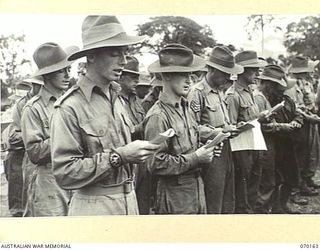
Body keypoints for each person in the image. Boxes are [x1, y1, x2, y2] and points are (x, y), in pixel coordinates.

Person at [50, 15, 160, 216]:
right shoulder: (70, 106)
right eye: (114, 53)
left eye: (125, 53)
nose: (123, 61)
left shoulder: (116, 97)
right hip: (94, 206)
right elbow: (64, 173)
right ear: (91, 56)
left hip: (129, 201)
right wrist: (119, 157)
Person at [144, 43, 222, 214]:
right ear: (167, 76)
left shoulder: (185, 107)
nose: (190, 80)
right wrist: (195, 157)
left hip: (196, 188)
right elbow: (155, 163)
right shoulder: (158, 116)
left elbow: (191, 141)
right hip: (175, 195)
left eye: (191, 75)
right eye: (183, 75)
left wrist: (207, 150)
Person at [21, 42, 75, 216]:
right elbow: (35, 153)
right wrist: (66, 135)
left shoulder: (71, 103)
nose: (67, 75)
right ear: (48, 74)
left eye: (68, 69)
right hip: (48, 184)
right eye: (61, 71)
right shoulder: (33, 109)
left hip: (73, 178)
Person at [188, 46, 244, 213]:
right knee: (213, 199)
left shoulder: (220, 91)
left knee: (227, 197)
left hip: (226, 150)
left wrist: (232, 128)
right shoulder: (197, 93)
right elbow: (191, 127)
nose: (227, 77)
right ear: (211, 69)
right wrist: (217, 132)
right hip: (211, 154)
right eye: (224, 73)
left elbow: (223, 121)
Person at [253, 65, 303, 213]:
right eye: (278, 87)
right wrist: (283, 126)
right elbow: (262, 125)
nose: (281, 90)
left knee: (290, 176)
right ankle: (271, 209)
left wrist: (296, 121)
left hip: (287, 143)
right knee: (271, 179)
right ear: (270, 85)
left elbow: (298, 113)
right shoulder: (260, 99)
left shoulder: (287, 99)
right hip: (271, 143)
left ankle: (280, 206)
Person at [225, 50, 267, 213]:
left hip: (255, 144)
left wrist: (260, 117)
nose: (256, 74)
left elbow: (252, 116)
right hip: (241, 147)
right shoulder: (233, 95)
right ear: (242, 71)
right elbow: (231, 125)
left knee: (253, 186)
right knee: (242, 188)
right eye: (253, 69)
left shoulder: (250, 92)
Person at [118, 55, 151, 214]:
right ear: (121, 78)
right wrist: (143, 126)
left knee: (142, 203)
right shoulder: (115, 101)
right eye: (133, 77)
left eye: (137, 77)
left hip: (142, 160)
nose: (136, 82)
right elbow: (124, 132)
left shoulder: (136, 100)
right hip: (126, 160)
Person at [7, 77, 43, 216]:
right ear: (34, 86)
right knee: (20, 206)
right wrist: (37, 136)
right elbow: (13, 138)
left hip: (35, 158)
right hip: (18, 156)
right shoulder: (22, 105)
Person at [287, 56, 320, 197]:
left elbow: (309, 103)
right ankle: (299, 184)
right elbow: (294, 107)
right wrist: (308, 117)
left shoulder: (306, 83)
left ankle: (306, 179)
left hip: (308, 121)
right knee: (300, 154)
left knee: (310, 151)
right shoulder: (291, 86)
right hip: (300, 123)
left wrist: (312, 114)